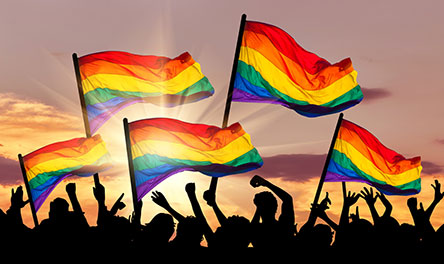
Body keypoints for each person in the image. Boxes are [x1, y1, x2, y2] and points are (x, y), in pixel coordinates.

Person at [249, 175, 295, 250]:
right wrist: (266, 183)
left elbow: (252, 229)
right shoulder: (283, 227)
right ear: (275, 207)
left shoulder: (257, 230)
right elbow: (287, 199)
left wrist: (259, 207)